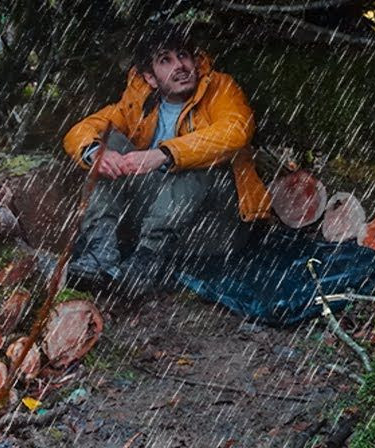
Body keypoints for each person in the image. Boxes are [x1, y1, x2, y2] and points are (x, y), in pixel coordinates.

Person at [62, 26, 271, 295]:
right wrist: (94, 155)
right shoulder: (139, 103)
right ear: (150, 78)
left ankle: (146, 264)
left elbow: (237, 131)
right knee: (105, 146)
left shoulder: (220, 87)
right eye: (166, 60)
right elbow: (80, 130)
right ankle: (100, 251)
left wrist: (165, 153)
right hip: (157, 219)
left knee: (204, 161)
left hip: (213, 227)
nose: (180, 66)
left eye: (183, 56)